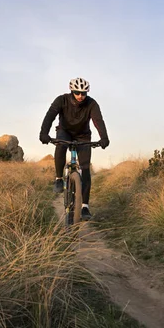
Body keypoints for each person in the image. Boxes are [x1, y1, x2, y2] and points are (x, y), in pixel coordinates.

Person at [39, 77, 110, 221]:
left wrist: (104, 138)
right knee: (60, 146)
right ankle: (59, 178)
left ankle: (84, 207)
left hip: (83, 136)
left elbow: (98, 120)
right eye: (77, 92)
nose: (80, 96)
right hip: (64, 132)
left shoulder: (91, 104)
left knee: (85, 168)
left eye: (83, 93)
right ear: (72, 90)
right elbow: (49, 116)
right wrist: (44, 133)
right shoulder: (61, 100)